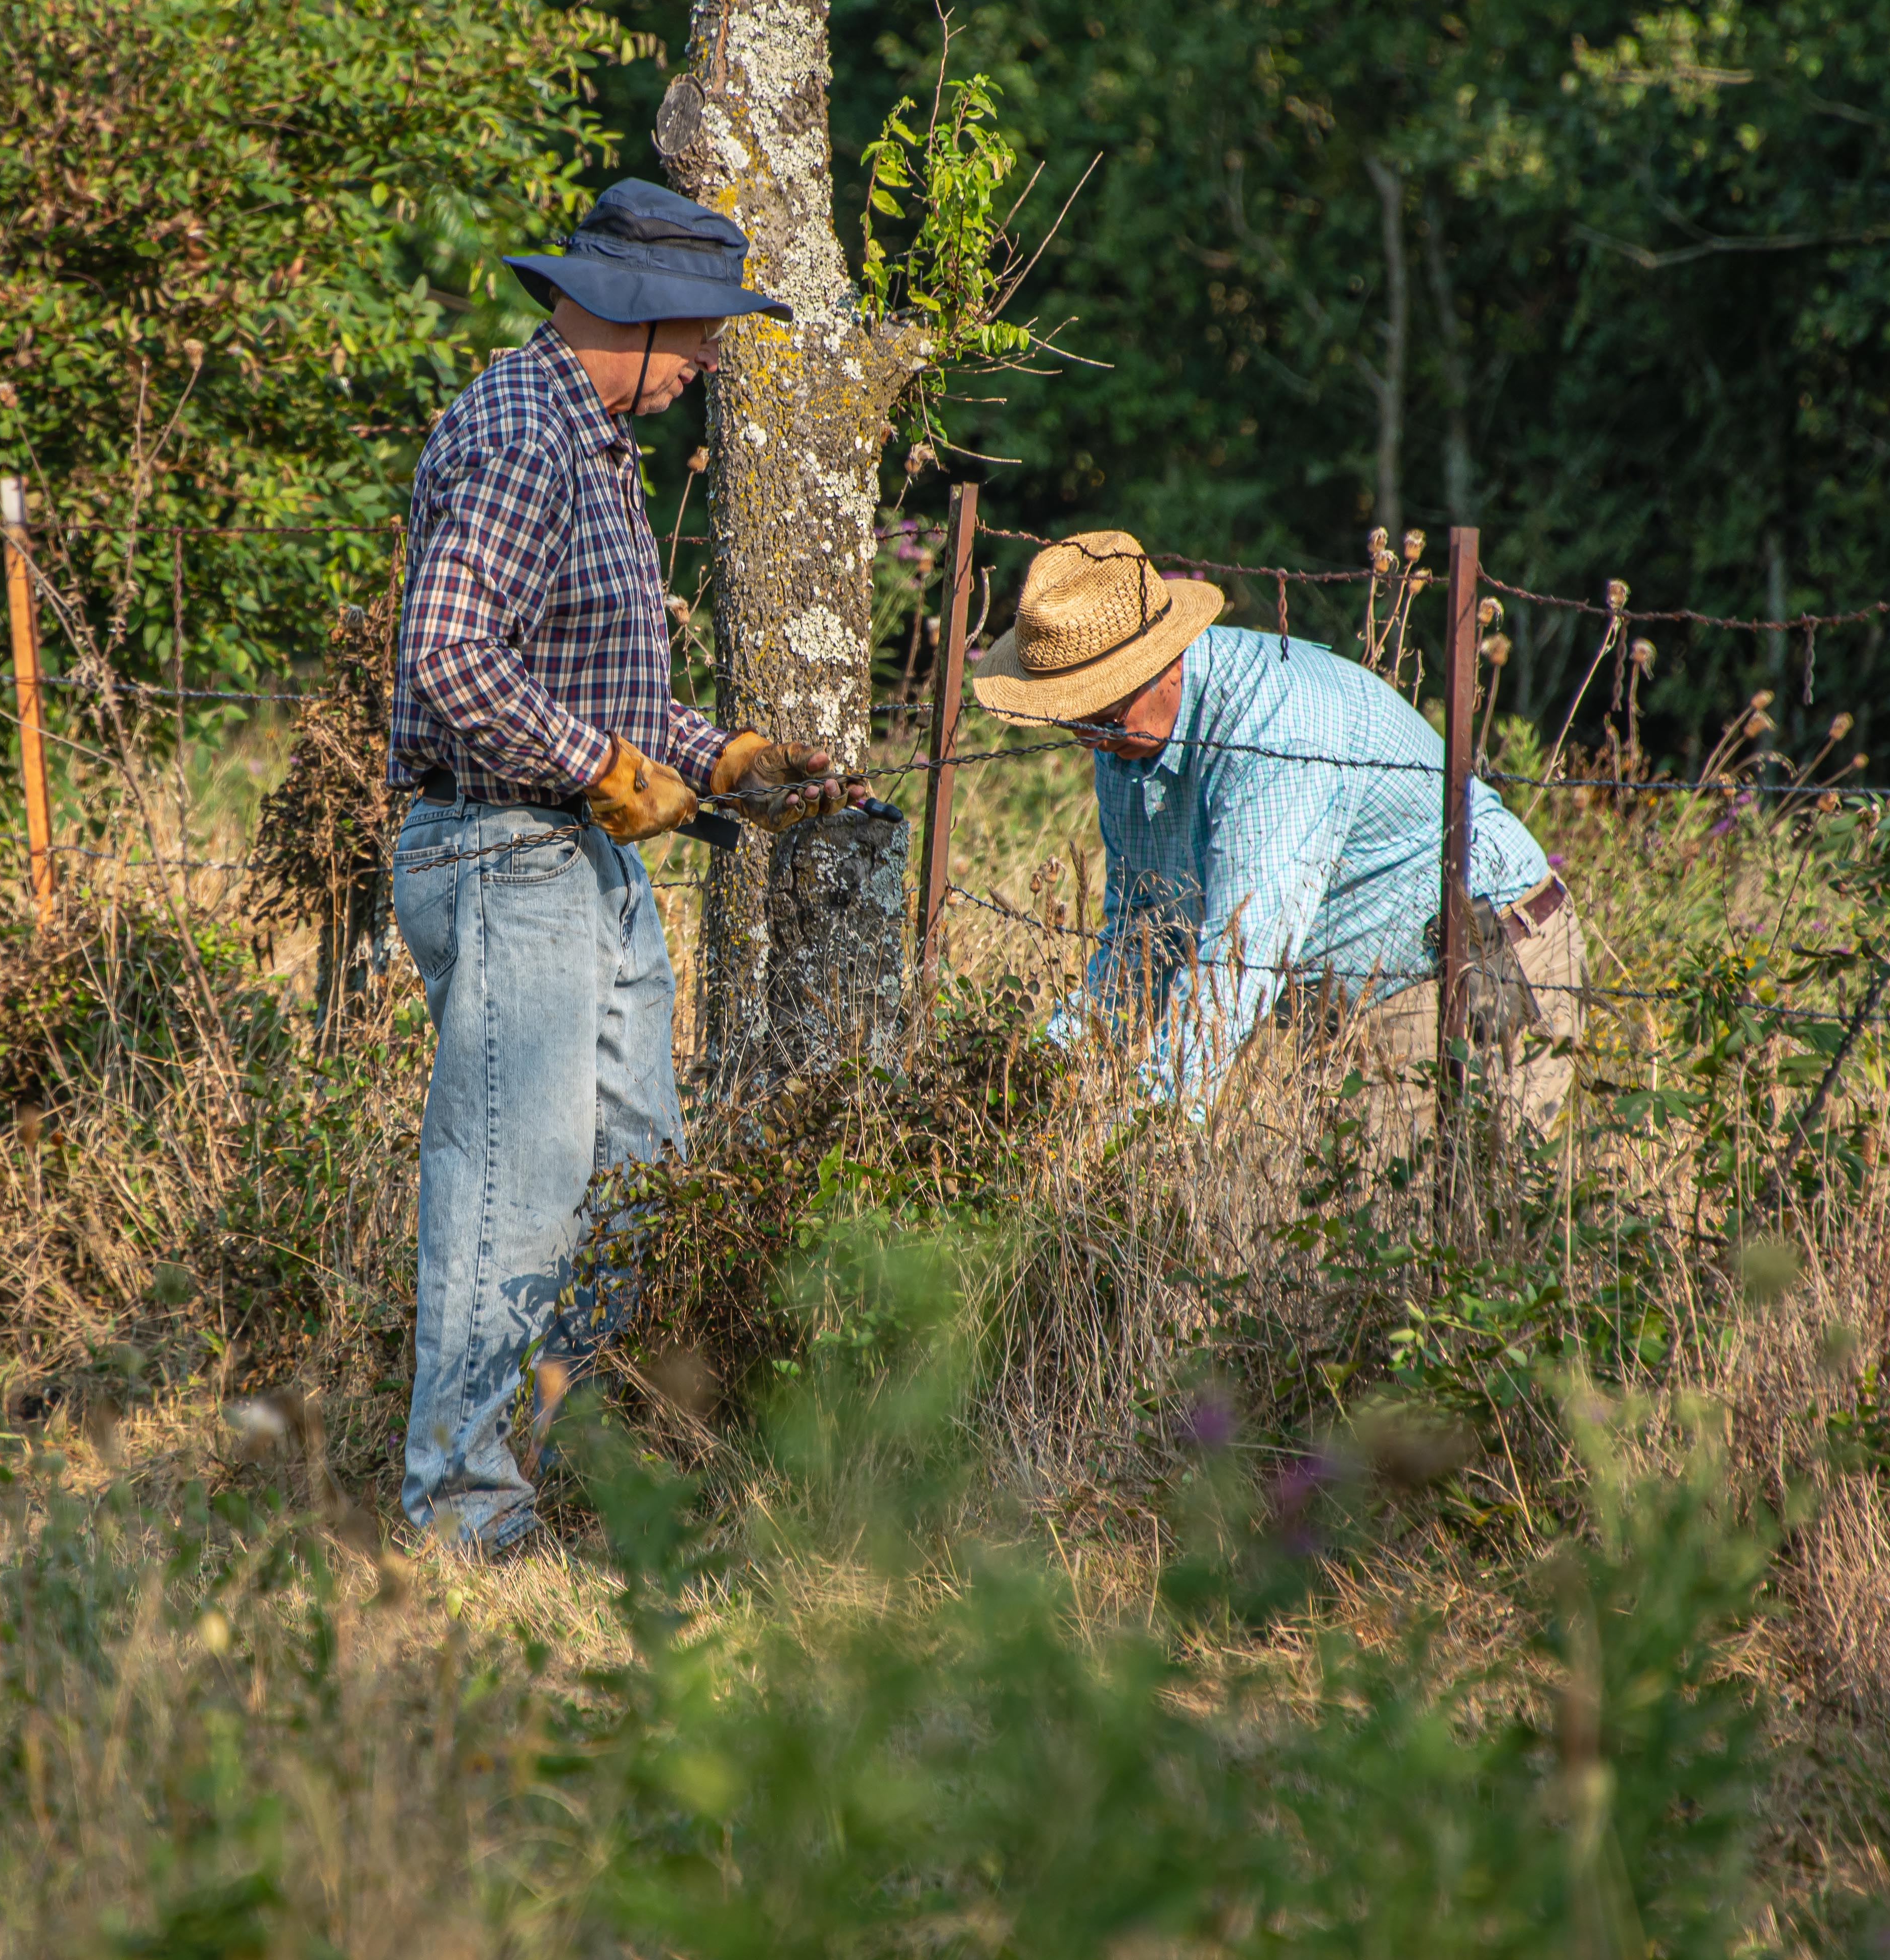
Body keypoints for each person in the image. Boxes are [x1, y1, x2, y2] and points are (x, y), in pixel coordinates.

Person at [389, 179, 857, 1556]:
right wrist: (600, 770)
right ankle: (459, 1527)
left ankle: (530, 1460)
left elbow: (604, 700)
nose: (714, 358)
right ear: (640, 317)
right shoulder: (522, 432)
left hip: (577, 861)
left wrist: (727, 763)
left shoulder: (592, 446)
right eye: (705, 329)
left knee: (637, 1179)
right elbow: (450, 659)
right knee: (507, 1199)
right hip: (503, 850)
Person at [971, 531, 1582, 1133]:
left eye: (1101, 714)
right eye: (1068, 719)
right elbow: (1142, 933)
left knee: (1421, 1216)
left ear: (1166, 662)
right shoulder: (1121, 741)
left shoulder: (1275, 735)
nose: (1089, 741)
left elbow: (1237, 962)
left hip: (1471, 957)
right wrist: (1040, 1081)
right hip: (1359, 992)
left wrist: (1146, 1134)